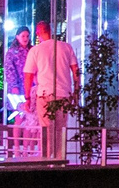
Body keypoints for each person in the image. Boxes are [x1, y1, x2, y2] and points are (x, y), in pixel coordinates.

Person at [24, 21, 79, 163]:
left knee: (46, 129)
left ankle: (47, 161)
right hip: (64, 93)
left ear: (38, 33)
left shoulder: (35, 50)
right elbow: (75, 70)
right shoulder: (66, 47)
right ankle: (60, 161)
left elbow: (28, 75)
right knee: (60, 129)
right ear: (51, 30)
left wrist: (27, 98)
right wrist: (76, 91)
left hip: (44, 94)